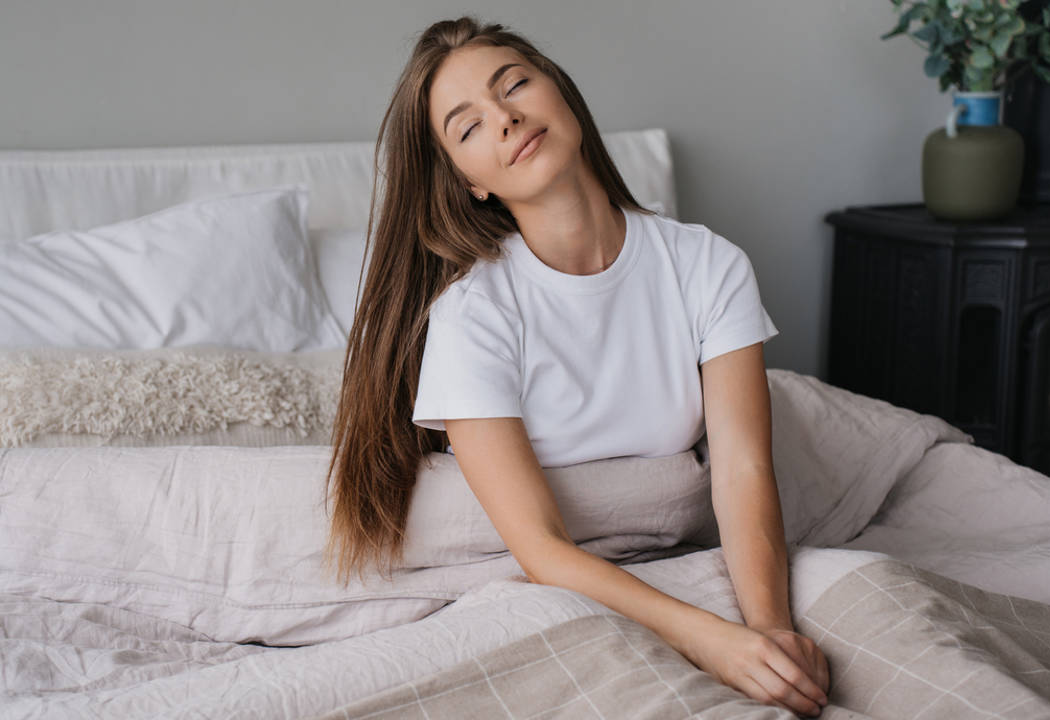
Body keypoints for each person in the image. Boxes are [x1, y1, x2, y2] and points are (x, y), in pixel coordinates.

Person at [323, 15, 830, 717]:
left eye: (515, 85)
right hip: (547, 569)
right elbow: (541, 548)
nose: (505, 119)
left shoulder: (707, 263)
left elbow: (742, 468)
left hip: (675, 547)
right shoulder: (474, 315)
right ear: (468, 183)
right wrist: (715, 643)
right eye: (468, 128)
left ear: (558, 89)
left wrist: (770, 632)